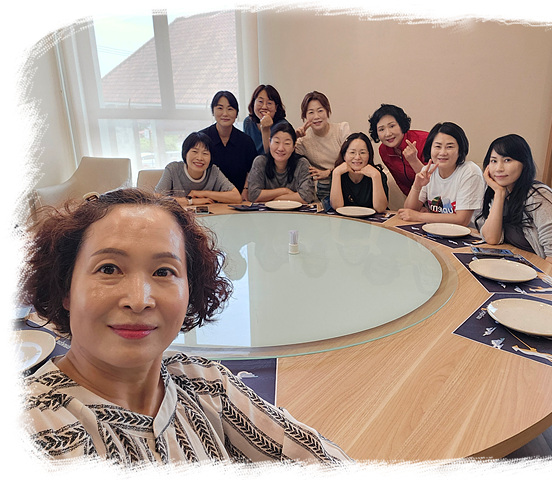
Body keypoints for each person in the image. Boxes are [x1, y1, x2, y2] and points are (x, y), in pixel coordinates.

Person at [20, 188, 350, 464]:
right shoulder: (34, 430)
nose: (139, 300)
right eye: (108, 269)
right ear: (65, 287)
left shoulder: (203, 382)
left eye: (163, 272)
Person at [475, 133, 552, 287]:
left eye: (507, 160)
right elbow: (492, 239)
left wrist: (523, 282)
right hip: (523, 270)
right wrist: (499, 194)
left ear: (524, 163)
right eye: (494, 161)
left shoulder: (539, 197)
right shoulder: (501, 191)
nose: (499, 168)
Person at [398, 122, 484, 226]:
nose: (443, 153)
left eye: (449, 147)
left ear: (460, 150)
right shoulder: (428, 171)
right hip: (437, 230)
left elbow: (462, 220)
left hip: (469, 232)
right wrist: (416, 186)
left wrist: (419, 216)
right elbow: (409, 211)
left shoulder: (470, 172)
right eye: (438, 146)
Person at [155, 131, 242, 206]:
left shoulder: (213, 171)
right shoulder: (173, 169)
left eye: (205, 153)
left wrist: (202, 193)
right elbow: (156, 198)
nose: (200, 158)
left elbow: (236, 197)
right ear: (185, 154)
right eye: (195, 152)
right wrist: (191, 201)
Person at [199, 91, 258, 201]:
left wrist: (245, 190)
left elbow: (252, 170)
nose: (225, 114)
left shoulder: (246, 141)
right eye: (220, 108)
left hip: (238, 199)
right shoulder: (202, 139)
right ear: (213, 111)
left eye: (230, 109)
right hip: (208, 199)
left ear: (236, 113)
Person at [294, 91, 351, 202]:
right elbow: (284, 157)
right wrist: (294, 138)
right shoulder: (303, 141)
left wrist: (328, 172)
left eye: (320, 111)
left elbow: (352, 159)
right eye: (311, 112)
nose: (316, 116)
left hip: (347, 183)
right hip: (323, 190)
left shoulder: (341, 130)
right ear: (305, 116)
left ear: (327, 111)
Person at [246, 121, 317, 204]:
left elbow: (307, 196)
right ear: (269, 142)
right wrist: (284, 191)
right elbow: (253, 195)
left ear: (294, 146)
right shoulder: (260, 162)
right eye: (276, 142)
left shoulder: (302, 163)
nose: (281, 148)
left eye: (287, 143)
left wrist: (272, 200)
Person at [367, 104, 429, 196]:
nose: (388, 134)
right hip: (415, 197)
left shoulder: (425, 140)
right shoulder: (383, 150)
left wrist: (414, 160)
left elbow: (435, 180)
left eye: (392, 126)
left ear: (401, 125)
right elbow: (401, 183)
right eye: (381, 129)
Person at [329, 132, 388, 213]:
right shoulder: (338, 174)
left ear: (369, 155)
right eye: (352, 152)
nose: (357, 157)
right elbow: (337, 207)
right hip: (347, 219)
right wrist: (336, 173)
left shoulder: (378, 174)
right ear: (344, 155)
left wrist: (376, 176)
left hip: (371, 219)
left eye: (362, 153)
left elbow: (380, 209)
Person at [243, 85, 287, 156]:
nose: (264, 107)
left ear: (276, 107)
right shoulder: (248, 122)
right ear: (253, 103)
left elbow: (274, 156)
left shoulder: (283, 126)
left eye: (269, 103)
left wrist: (266, 129)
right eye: (260, 101)